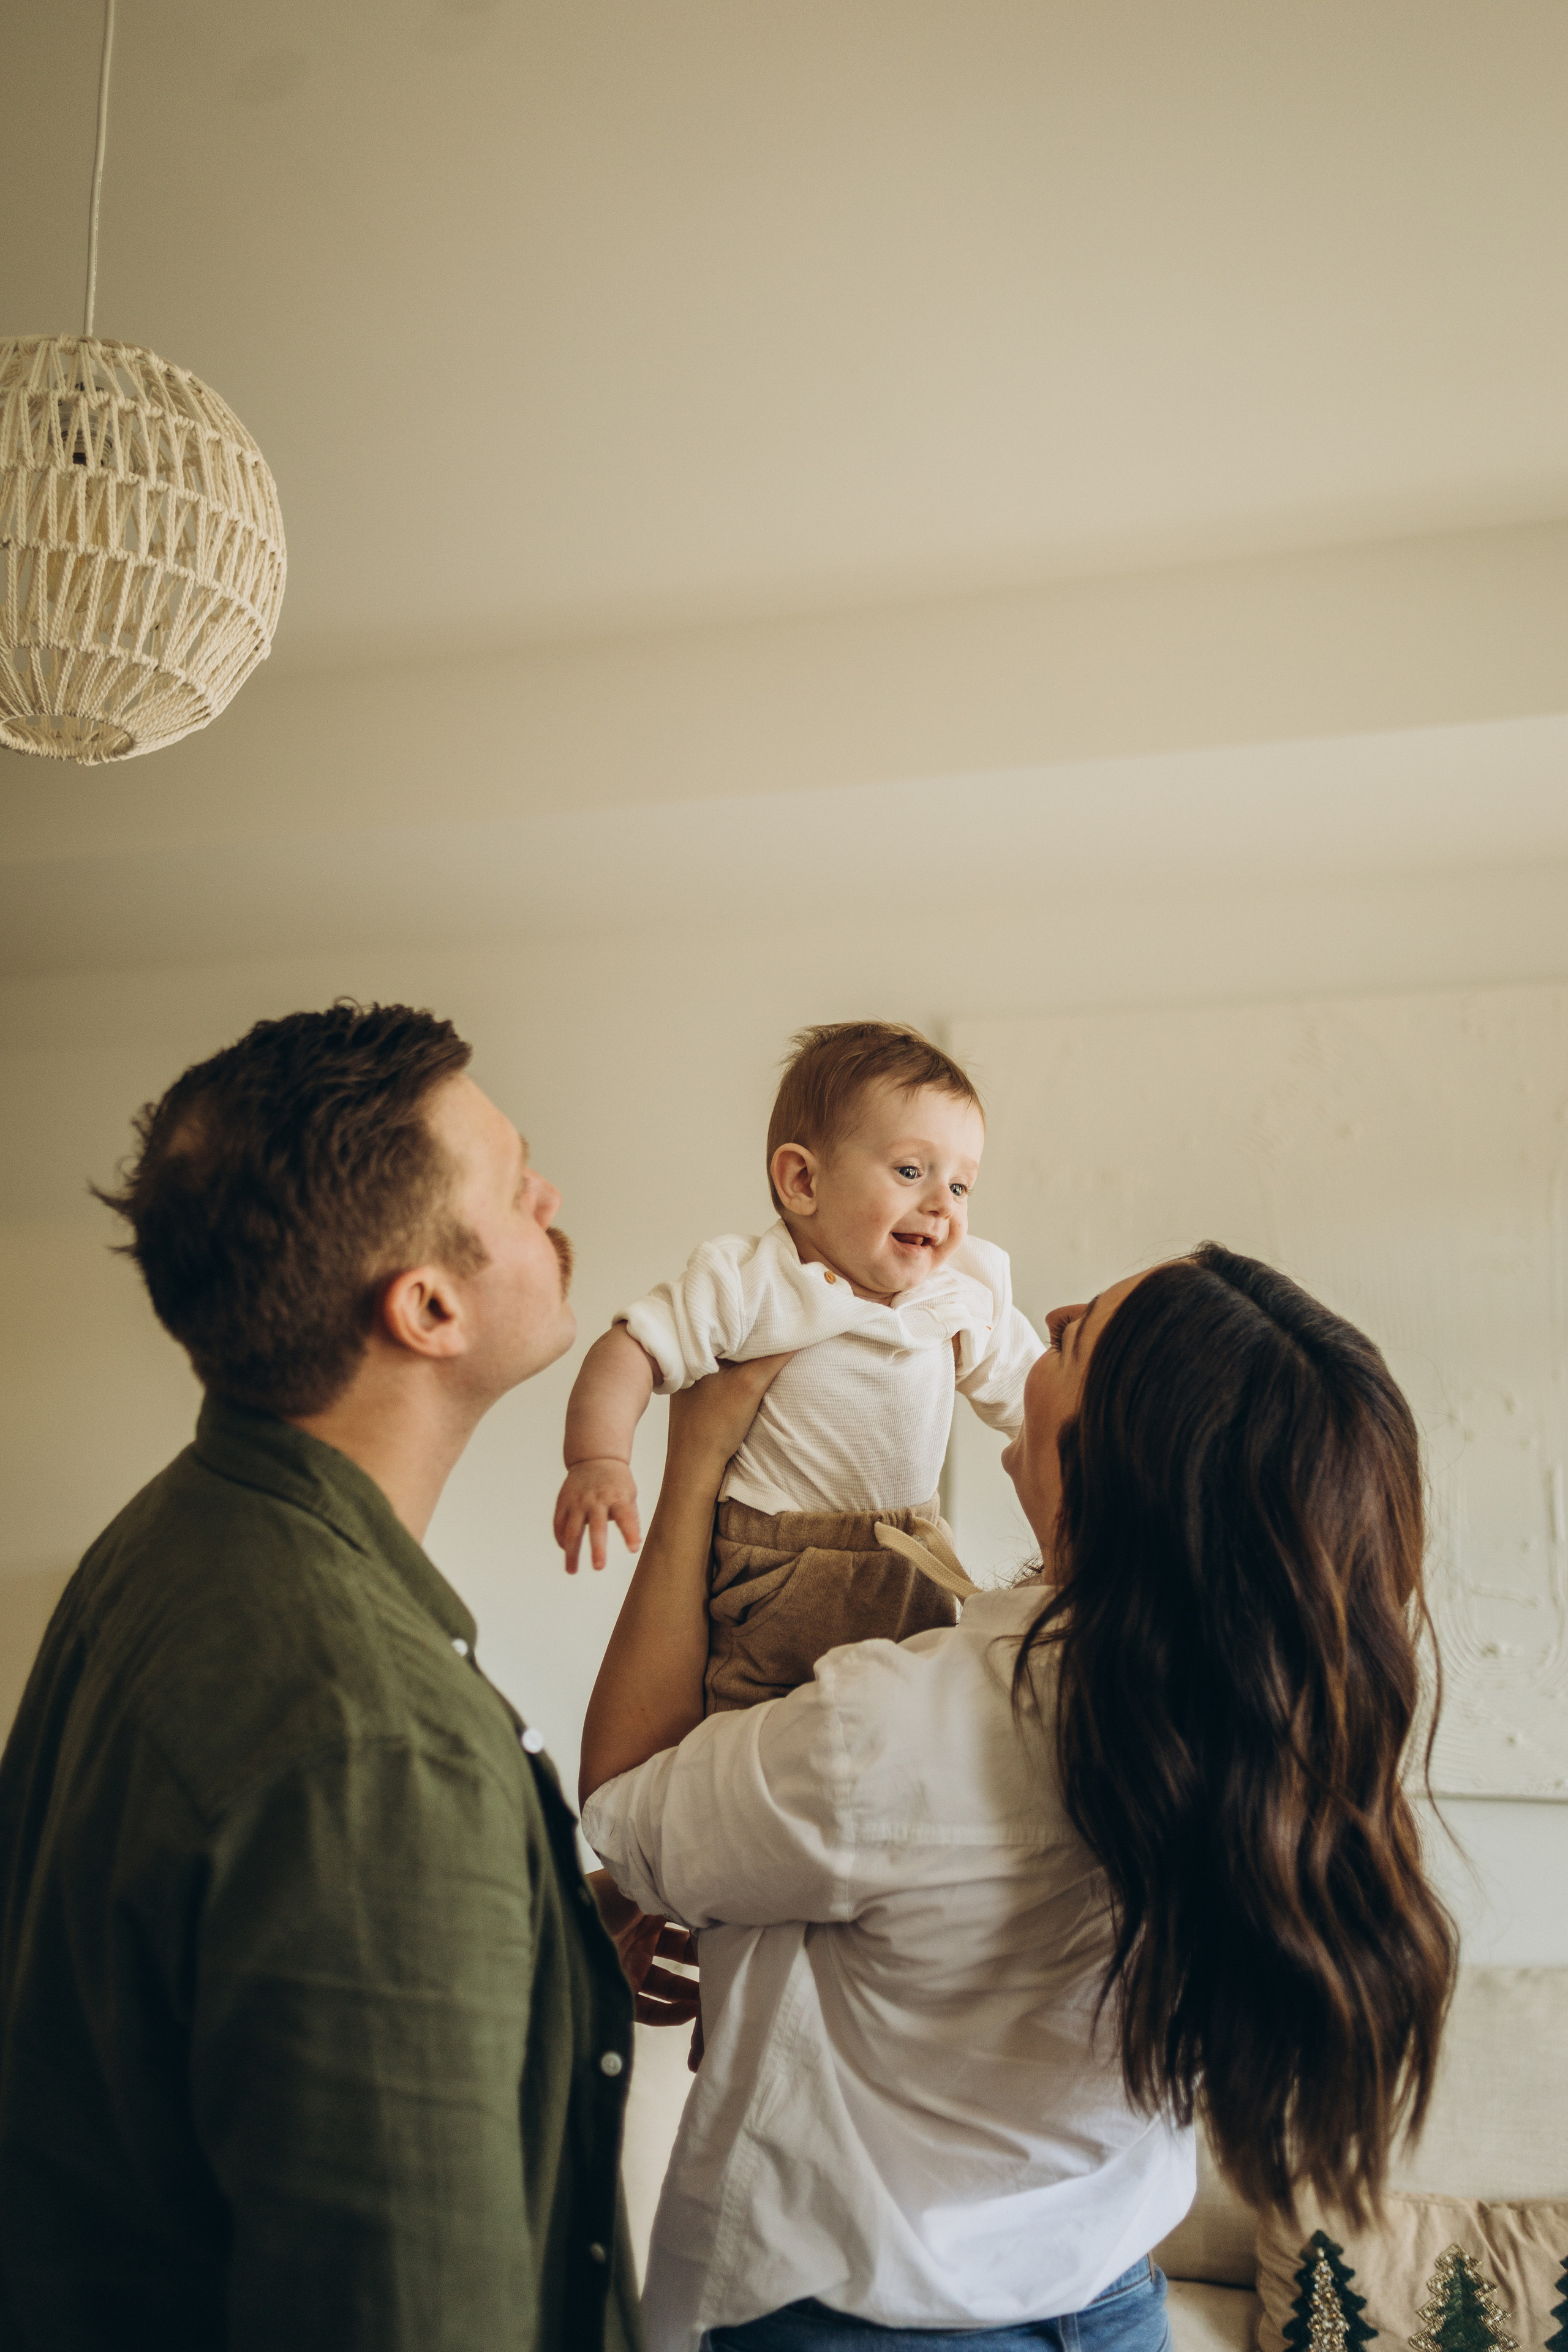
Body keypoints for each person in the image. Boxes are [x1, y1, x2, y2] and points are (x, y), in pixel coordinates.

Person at [578, 1243, 1458, 2351]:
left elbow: (623, 1801)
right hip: (1113, 2310)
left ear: (1101, 1470)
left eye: (1078, 1337)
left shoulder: (894, 1732)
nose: (1049, 1310)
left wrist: (698, 1459)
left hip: (855, 2322)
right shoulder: (1283, 1748)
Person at [0, 1002, 693, 2352]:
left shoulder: (166, 1539)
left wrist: (521, 1927)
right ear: (427, 1306)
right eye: (512, 1182)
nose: (549, 1196)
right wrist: (422, 1865)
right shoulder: (374, 1746)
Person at [555, 1022, 1043, 1713]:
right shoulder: (754, 1282)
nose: (942, 1204)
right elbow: (630, 1348)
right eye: (911, 1171)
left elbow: (1037, 1394)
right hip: (781, 1566)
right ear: (802, 1180)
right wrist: (598, 1458)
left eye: (962, 1186)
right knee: (751, 1715)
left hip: (910, 1557)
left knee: (911, 1717)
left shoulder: (960, 1287)